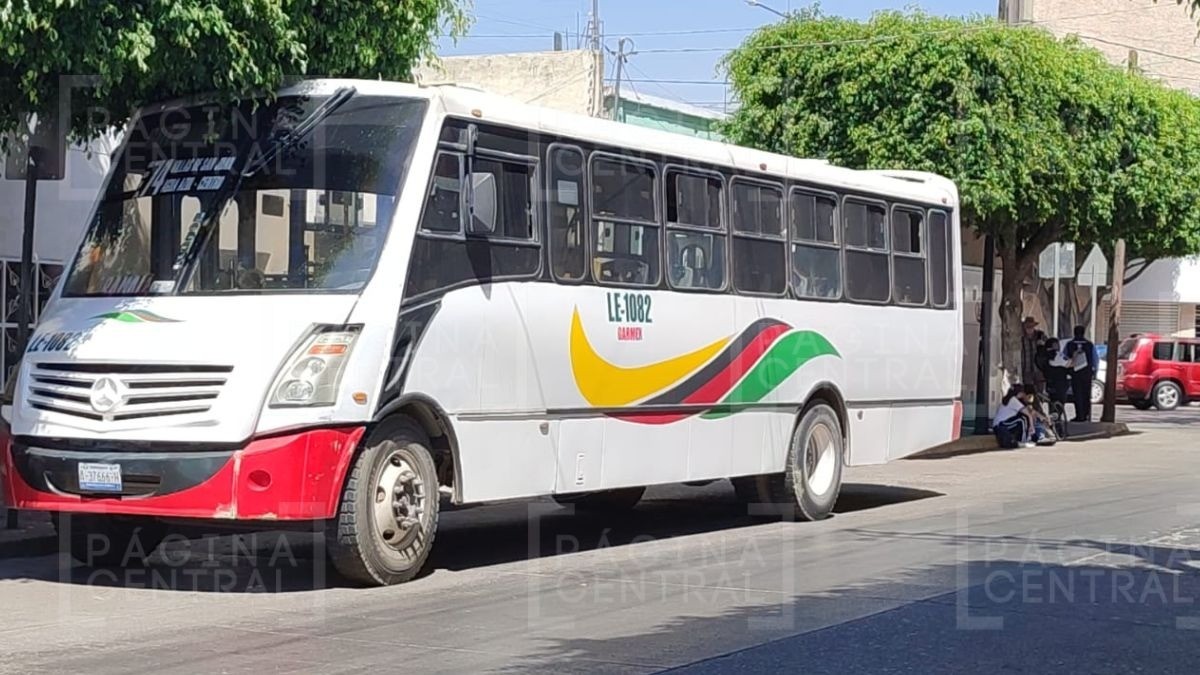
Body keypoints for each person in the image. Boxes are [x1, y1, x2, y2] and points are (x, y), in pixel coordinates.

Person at [1063, 325, 1097, 422]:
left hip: (1075, 374)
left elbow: (1065, 357)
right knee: (1086, 394)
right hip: (1087, 373)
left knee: (1077, 394)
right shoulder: (1089, 345)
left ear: (1074, 333)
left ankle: (1079, 415)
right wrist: (1095, 371)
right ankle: (1086, 415)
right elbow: (1095, 359)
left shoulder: (1069, 344)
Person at [1020, 317, 1048, 390]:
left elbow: (1049, 346)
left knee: (1040, 391)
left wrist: (1043, 344)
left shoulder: (1040, 336)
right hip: (1026, 369)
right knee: (1029, 391)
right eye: (1027, 327)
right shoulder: (1021, 338)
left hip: (1039, 369)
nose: (1029, 329)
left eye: (1031, 327)